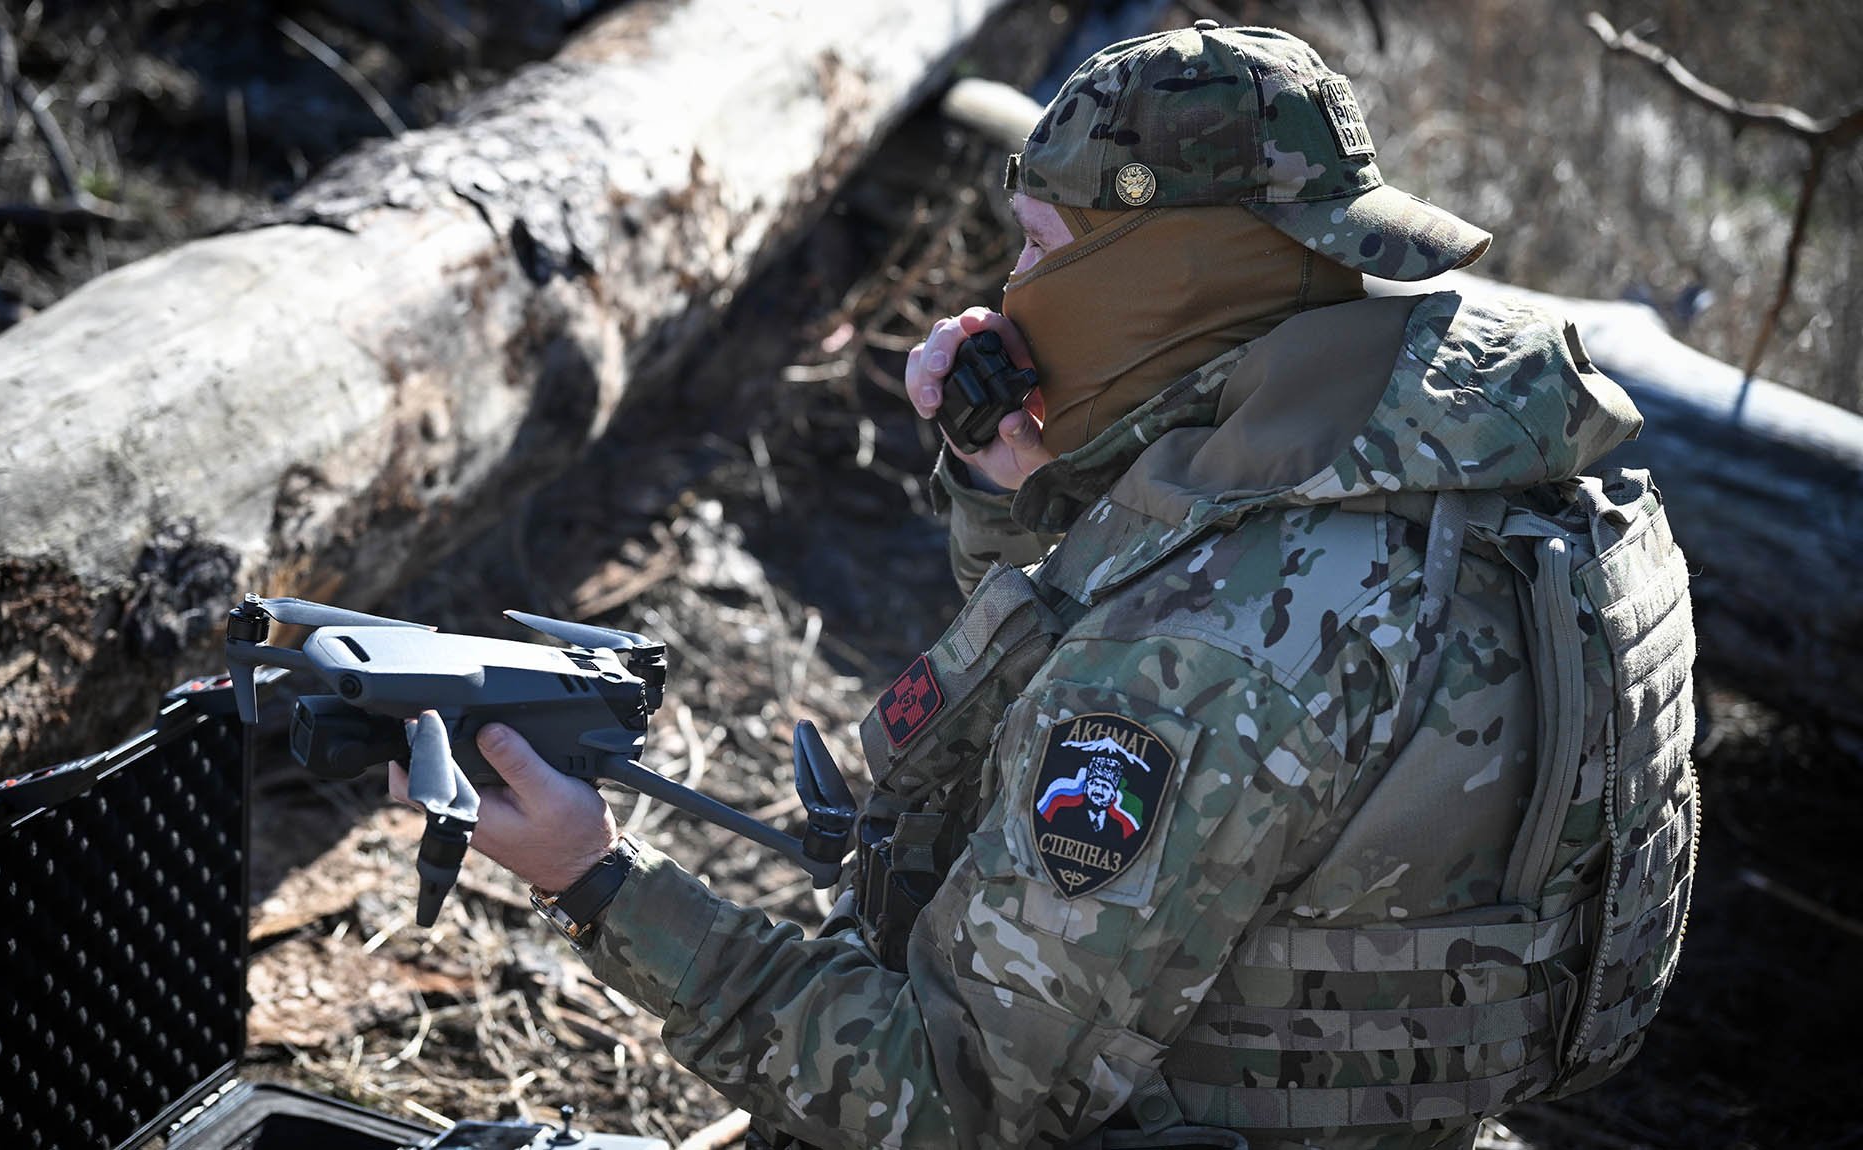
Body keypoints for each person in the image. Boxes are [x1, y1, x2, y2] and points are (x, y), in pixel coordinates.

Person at [395, 21, 1698, 1150]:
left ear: (1151, 277)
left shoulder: (1213, 642)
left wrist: (600, 881)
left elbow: (948, 1099)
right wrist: (1023, 488)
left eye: (1035, 247)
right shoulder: (1506, 466)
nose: (1010, 291)